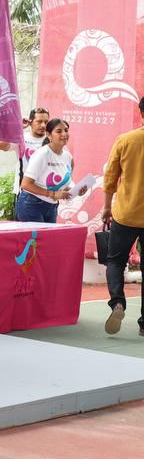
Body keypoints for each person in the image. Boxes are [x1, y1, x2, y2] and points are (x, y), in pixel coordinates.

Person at [102, 97, 144, 336]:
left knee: (116, 261)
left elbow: (110, 178)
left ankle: (117, 302)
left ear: (141, 113)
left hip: (126, 214)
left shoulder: (125, 140)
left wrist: (107, 208)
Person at [17, 118, 84, 223]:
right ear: (49, 135)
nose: (64, 134)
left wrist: (76, 190)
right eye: (59, 131)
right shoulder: (42, 154)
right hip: (31, 204)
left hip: (52, 206)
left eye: (66, 130)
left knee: (49, 234)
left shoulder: (68, 157)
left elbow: (63, 185)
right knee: (37, 235)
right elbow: (25, 184)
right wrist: (52, 194)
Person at [0, 107, 49, 210]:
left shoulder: (52, 140)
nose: (43, 125)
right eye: (39, 121)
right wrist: (17, 128)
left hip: (47, 194)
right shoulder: (21, 138)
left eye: (46, 122)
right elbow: (1, 145)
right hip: (25, 194)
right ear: (30, 122)